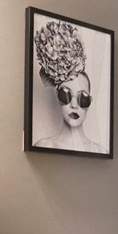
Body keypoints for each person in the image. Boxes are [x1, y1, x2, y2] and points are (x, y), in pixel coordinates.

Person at [32, 20, 107, 154]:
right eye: (66, 95)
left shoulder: (100, 150)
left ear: (90, 102)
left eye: (83, 98)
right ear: (57, 97)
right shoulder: (44, 145)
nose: (74, 105)